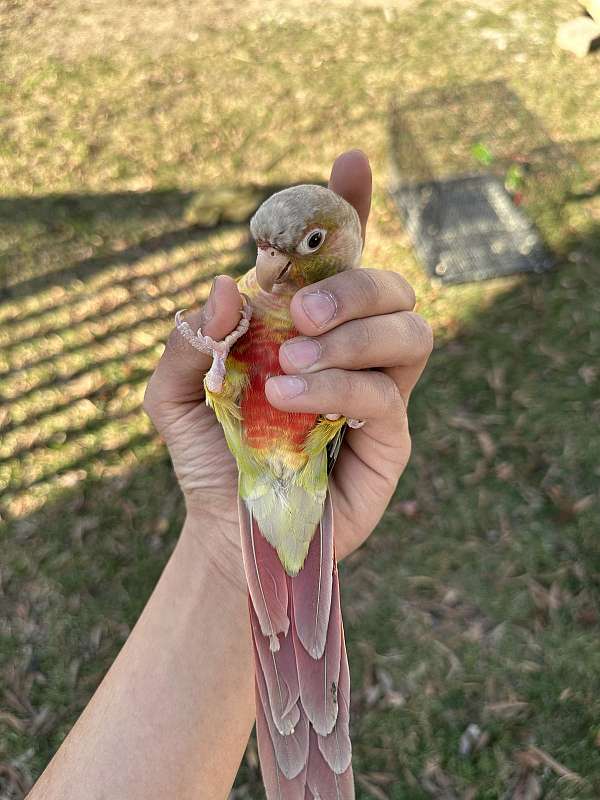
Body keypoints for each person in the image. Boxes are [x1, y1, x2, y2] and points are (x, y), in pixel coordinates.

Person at [27, 150, 432, 800]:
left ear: (334, 247)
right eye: (262, 249)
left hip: (303, 468)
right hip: (251, 470)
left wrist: (339, 410)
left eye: (302, 246)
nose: (270, 268)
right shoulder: (246, 309)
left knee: (303, 639)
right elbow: (226, 390)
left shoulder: (325, 315)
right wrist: (218, 362)